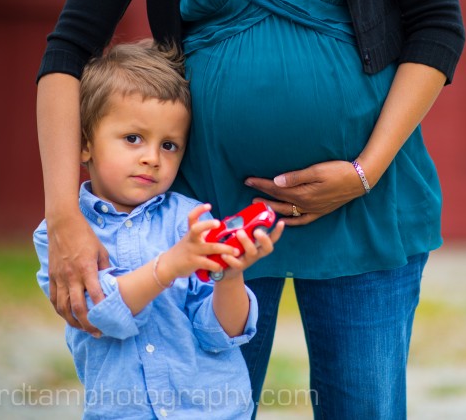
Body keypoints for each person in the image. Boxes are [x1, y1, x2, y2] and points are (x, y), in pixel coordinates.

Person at [36, 0, 465, 417]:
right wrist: (63, 216)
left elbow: (438, 25)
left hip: (363, 205)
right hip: (210, 221)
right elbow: (69, 48)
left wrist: (365, 171)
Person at [33, 40, 284, 418]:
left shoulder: (192, 220)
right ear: (84, 145)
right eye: (133, 138)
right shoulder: (61, 235)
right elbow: (100, 315)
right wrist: (171, 266)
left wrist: (229, 278)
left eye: (169, 145)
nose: (152, 158)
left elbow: (221, 335)